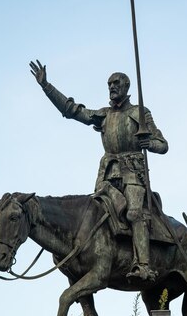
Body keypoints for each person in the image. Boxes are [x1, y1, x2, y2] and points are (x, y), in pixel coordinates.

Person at [29, 60, 168, 281]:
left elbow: (163, 144)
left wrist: (148, 144)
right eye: (109, 84)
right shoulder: (104, 115)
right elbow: (72, 110)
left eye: (115, 83)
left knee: (134, 213)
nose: (111, 87)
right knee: (92, 214)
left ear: (126, 87)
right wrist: (47, 86)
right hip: (108, 177)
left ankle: (143, 265)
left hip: (133, 175)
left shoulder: (140, 113)